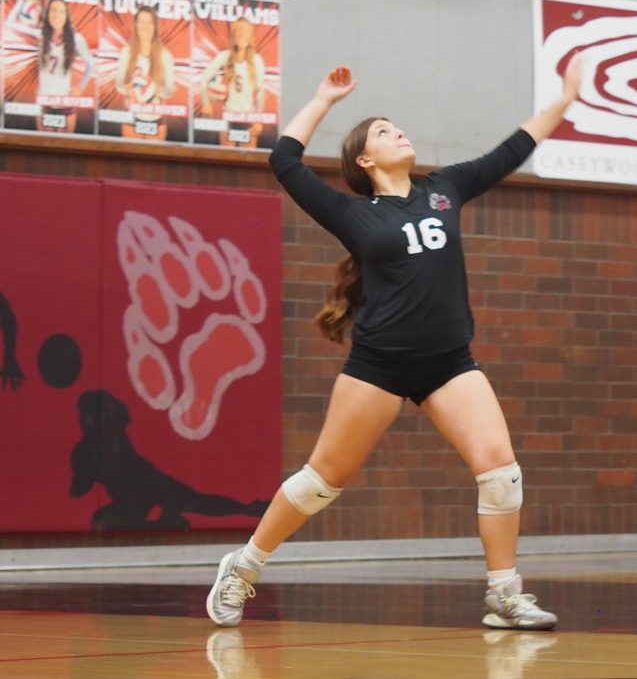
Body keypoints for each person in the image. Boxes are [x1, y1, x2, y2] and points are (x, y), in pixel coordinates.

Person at [207, 58, 582, 631]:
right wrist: (322, 101)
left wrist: (568, 96)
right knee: (321, 483)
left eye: (396, 126)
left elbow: (515, 147)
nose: (398, 131)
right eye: (383, 131)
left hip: (449, 363)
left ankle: (504, 594)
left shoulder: (446, 188)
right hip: (379, 365)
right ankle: (244, 566)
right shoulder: (353, 213)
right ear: (364, 159)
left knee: (501, 472)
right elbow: (284, 160)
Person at [199, 17, 266, 147]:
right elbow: (204, 79)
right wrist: (206, 103)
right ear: (233, 35)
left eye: (246, 30)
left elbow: (260, 93)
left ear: (251, 36)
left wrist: (259, 120)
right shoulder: (224, 56)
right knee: (227, 158)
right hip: (228, 117)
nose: (242, 34)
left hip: (249, 119)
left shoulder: (257, 60)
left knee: (249, 162)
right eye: (238, 30)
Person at [114, 5, 175, 140]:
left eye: (149, 22)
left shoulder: (165, 55)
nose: (145, 26)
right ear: (136, 25)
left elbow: (170, 89)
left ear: (155, 26)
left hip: (156, 118)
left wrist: (157, 90)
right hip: (132, 117)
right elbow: (118, 84)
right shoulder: (127, 52)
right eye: (141, 22)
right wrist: (128, 89)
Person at [36, 0, 94, 134]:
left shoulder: (76, 38)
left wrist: (80, 88)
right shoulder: (40, 35)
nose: (57, 15)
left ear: (66, 15)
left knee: (66, 148)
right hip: (45, 101)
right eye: (53, 10)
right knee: (42, 147)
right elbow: (11, 23)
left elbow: (91, 64)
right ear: (48, 13)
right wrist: (25, 1)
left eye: (61, 11)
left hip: (65, 102)